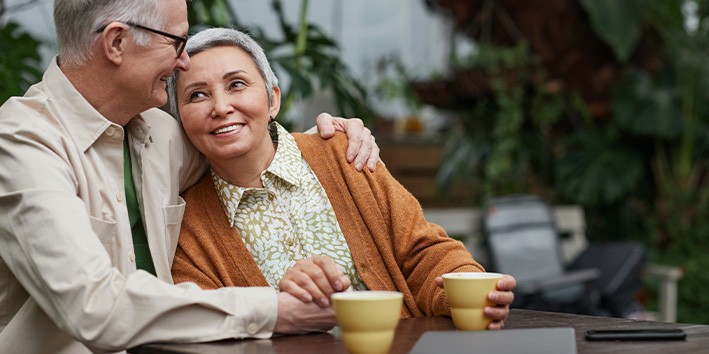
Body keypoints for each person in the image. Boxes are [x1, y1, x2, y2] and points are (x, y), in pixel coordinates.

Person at [0, 0, 380, 353]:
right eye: (176, 41)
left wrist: (330, 143)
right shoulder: (20, 144)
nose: (184, 61)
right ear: (116, 42)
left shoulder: (160, 133)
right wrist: (275, 311)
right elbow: (92, 305)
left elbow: (243, 148)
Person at [169, 27, 516, 330]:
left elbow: (421, 250)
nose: (220, 106)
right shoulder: (187, 227)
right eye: (197, 95)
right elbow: (208, 325)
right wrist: (278, 306)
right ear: (180, 118)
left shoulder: (343, 153)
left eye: (237, 84)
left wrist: (462, 288)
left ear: (273, 99)